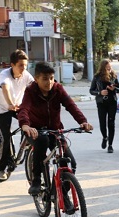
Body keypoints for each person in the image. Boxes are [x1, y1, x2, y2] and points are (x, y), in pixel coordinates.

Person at [18, 62, 93, 195]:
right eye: (45, 79)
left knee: (70, 163)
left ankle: (62, 195)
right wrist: (25, 125)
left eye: (52, 78)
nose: (49, 82)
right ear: (36, 79)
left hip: (55, 130)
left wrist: (83, 122)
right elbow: (24, 109)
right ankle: (36, 180)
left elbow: (71, 105)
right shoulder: (31, 91)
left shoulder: (58, 89)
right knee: (42, 141)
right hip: (35, 130)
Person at [0, 49, 34, 179]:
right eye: (20, 65)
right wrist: (10, 103)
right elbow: (6, 88)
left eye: (25, 65)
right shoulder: (5, 74)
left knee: (30, 123)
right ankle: (0, 167)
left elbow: (34, 88)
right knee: (6, 137)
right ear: (12, 65)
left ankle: (24, 144)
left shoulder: (26, 75)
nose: (23, 68)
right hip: (1, 109)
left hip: (17, 106)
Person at [89, 59, 119, 153]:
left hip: (112, 102)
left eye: (110, 67)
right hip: (101, 103)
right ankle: (104, 137)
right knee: (102, 123)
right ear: (103, 68)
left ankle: (110, 145)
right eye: (107, 67)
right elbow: (91, 90)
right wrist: (100, 92)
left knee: (111, 123)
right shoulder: (97, 77)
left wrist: (114, 88)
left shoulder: (113, 76)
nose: (109, 69)